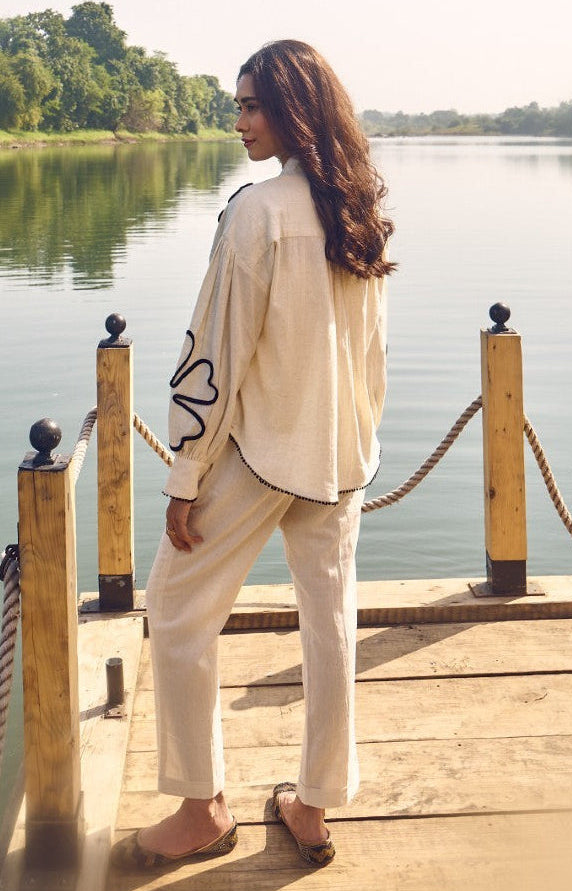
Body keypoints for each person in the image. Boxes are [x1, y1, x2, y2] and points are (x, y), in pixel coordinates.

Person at [113, 38, 395, 871]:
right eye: (238, 106)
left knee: (176, 609)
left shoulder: (258, 211)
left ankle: (201, 807)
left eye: (251, 106)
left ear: (293, 111)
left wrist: (185, 471)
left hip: (258, 450)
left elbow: (214, 352)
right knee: (329, 624)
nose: (238, 122)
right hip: (341, 457)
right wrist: (359, 441)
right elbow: (375, 354)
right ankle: (312, 804)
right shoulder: (359, 207)